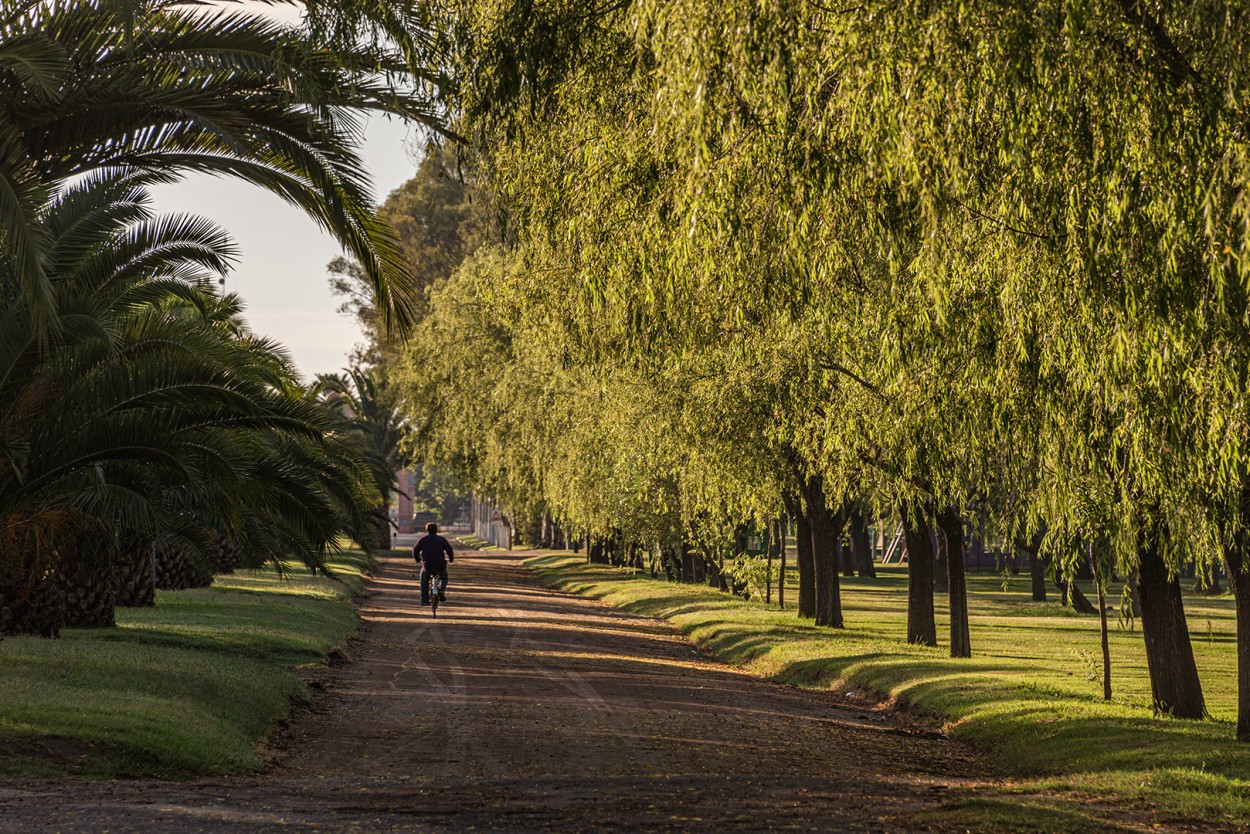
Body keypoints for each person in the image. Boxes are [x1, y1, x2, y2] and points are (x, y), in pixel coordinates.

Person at [413, 522, 454, 606]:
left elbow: (415, 549)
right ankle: (441, 590)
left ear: (427, 530)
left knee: (424, 581)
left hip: (427, 565)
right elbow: (449, 549)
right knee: (444, 578)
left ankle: (425, 600)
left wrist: (418, 559)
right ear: (436, 530)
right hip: (440, 565)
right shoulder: (441, 539)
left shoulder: (423, 539)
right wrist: (451, 559)